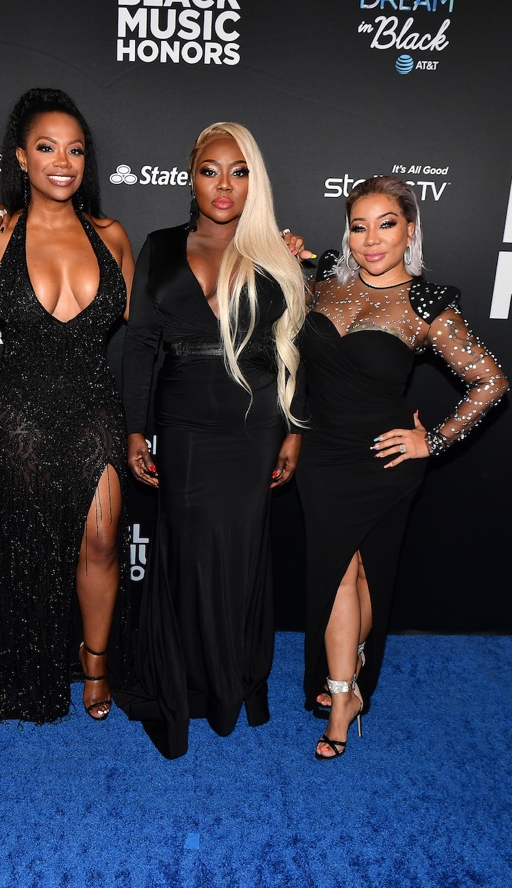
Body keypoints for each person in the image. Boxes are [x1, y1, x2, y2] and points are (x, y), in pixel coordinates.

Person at [297, 175, 509, 760]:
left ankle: (342, 697)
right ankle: (347, 683)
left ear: (410, 230)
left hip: (383, 459)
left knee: (364, 576)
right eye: (358, 226)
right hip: (321, 455)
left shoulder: (427, 303)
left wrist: (433, 442)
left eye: (386, 224)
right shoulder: (321, 280)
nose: (371, 240)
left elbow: (490, 381)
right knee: (338, 575)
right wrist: (288, 253)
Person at [117, 121, 310, 759]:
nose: (224, 185)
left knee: (239, 552)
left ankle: (233, 682)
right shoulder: (160, 246)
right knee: (184, 550)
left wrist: (294, 429)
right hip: (182, 421)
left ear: (254, 181)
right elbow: (141, 344)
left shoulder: (276, 254)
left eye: (239, 171)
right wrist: (136, 427)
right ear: (191, 177)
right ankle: (182, 683)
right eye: (210, 170)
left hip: (254, 422)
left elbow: (294, 347)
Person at [0, 87, 135, 725]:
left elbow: (151, 327)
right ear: (21, 157)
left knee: (100, 539)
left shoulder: (111, 235)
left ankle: (94, 663)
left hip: (94, 407)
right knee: (28, 547)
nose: (62, 162)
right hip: (18, 412)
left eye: (75, 149)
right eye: (46, 147)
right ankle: (27, 667)